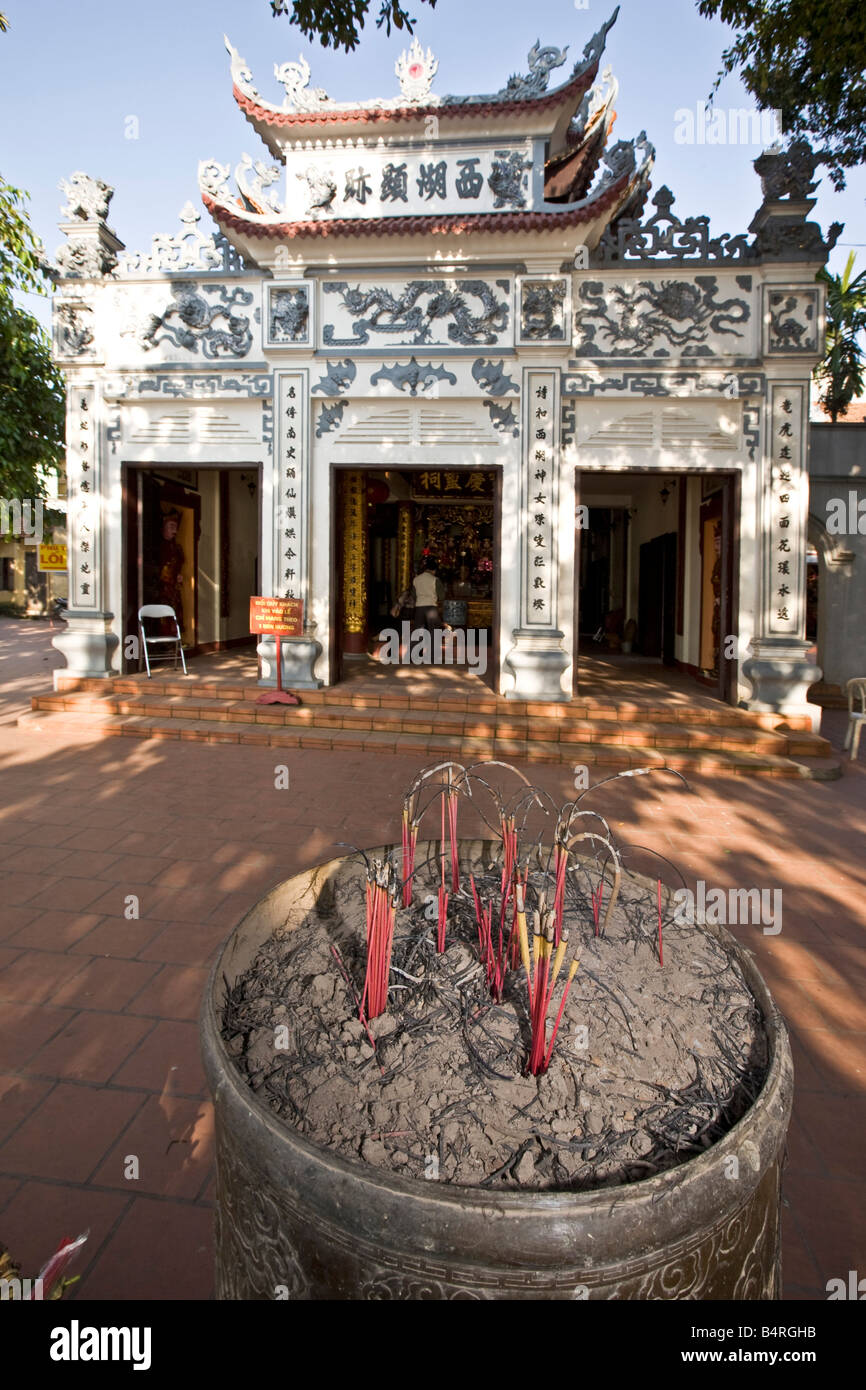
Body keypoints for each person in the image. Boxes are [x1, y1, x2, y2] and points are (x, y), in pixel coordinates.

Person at [411, 557, 444, 634]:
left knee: (418, 632)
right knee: (434, 632)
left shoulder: (416, 579)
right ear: (434, 570)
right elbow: (442, 596)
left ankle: (415, 646)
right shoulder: (435, 580)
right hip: (431, 608)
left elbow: (413, 595)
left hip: (419, 608)